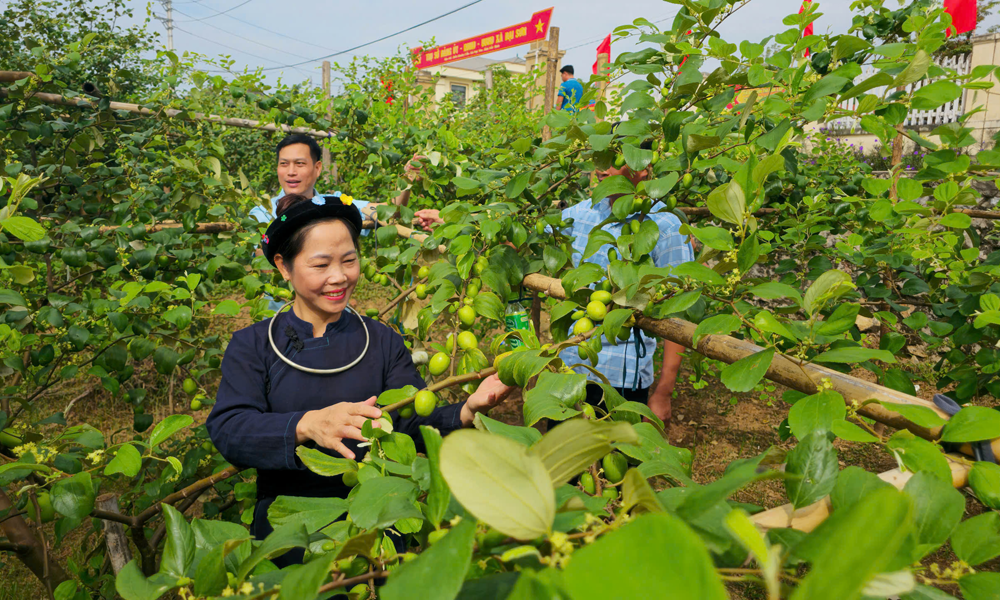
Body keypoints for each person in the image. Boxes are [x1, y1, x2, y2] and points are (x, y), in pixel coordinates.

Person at [208, 192, 512, 565]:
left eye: (349, 260)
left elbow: (410, 420)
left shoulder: (381, 340)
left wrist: (468, 409)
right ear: (284, 266)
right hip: (290, 534)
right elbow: (230, 429)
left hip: (378, 526)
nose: (339, 277)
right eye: (321, 264)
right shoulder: (254, 345)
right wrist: (308, 424)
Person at [412, 142, 691, 426]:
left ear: (643, 167)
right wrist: (452, 222)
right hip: (568, 367)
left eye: (615, 159)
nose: (602, 168)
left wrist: (664, 392)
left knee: (616, 449)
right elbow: (519, 236)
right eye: (601, 157)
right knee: (560, 451)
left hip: (621, 375)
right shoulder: (585, 212)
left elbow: (676, 313)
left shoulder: (667, 227)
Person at [252, 133, 424, 312]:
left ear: (317, 168)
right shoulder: (261, 214)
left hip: (334, 311)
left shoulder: (335, 205)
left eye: (299, 163)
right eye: (284, 164)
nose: (291, 171)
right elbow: (265, 266)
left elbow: (390, 211)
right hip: (280, 313)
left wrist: (407, 179)